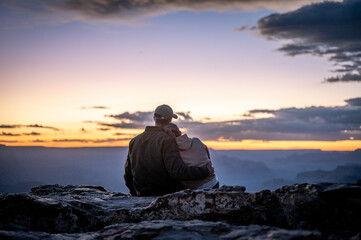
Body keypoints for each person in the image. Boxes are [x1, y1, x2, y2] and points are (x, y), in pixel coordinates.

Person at [124, 104, 214, 196]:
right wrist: (205, 171)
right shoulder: (167, 140)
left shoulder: (134, 141)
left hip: (142, 193)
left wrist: (135, 194)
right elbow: (177, 172)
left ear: (154, 117)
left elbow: (128, 175)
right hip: (165, 194)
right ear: (170, 120)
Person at [164, 123, 219, 189]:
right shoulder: (196, 140)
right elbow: (208, 158)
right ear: (180, 132)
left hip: (196, 187)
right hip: (213, 182)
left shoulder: (173, 150)